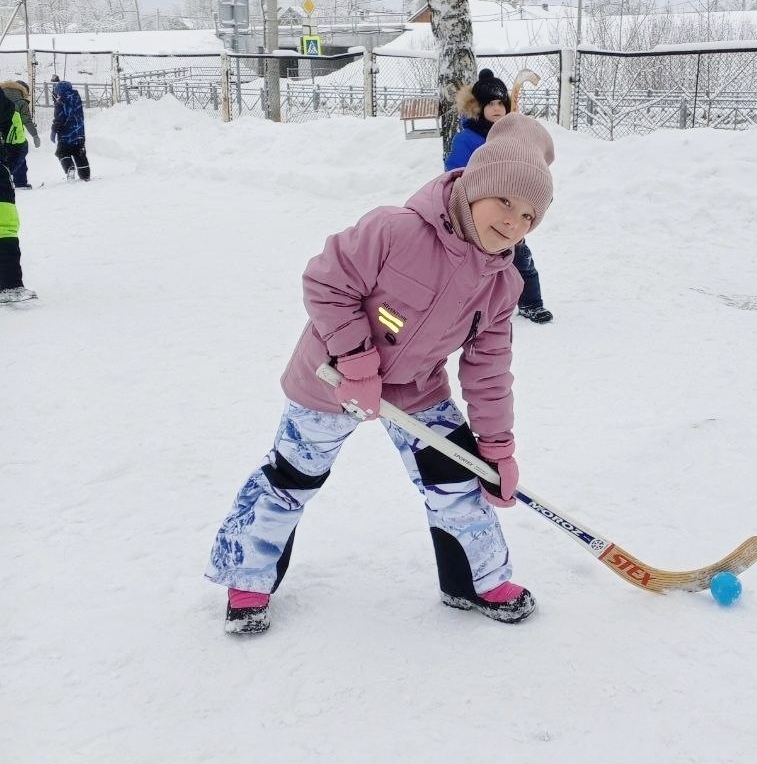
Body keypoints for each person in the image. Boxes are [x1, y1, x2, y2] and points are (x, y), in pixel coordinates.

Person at [205, 113, 555, 635]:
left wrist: (497, 448)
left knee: (458, 477)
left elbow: (488, 370)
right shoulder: (395, 230)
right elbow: (325, 282)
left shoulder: (501, 285)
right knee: (292, 478)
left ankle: (474, 580)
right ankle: (248, 578)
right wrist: (356, 361)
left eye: (529, 215)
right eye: (504, 201)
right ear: (475, 187)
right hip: (328, 378)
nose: (512, 223)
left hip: (416, 390)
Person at [445, 68, 554, 324]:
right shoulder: (469, 138)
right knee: (470, 265)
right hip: (479, 213)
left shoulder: (515, 135)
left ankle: (531, 303)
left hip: (510, 211)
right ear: (478, 108)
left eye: (500, 103)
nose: (496, 108)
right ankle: (461, 305)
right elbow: (456, 171)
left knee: (521, 261)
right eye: (490, 103)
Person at [0, 91, 37, 304]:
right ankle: (10, 285)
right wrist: (6, 167)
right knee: (3, 226)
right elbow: (18, 141)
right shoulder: (5, 103)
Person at [0, 80, 40, 189]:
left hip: (2, 136)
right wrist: (35, 136)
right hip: (15, 137)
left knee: (4, 158)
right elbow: (27, 121)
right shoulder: (21, 102)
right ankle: (19, 183)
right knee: (20, 158)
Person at [50, 79, 91, 181]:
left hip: (66, 135)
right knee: (79, 154)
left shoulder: (60, 102)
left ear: (60, 91)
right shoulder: (77, 99)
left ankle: (70, 168)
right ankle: (85, 175)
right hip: (80, 133)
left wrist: (54, 130)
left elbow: (59, 119)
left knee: (61, 153)